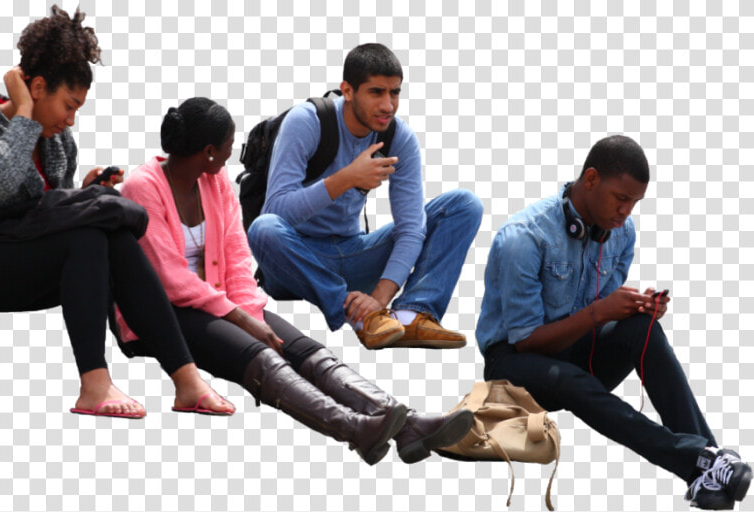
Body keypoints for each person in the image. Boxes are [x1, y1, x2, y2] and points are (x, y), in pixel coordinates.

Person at [117, 97, 474, 464]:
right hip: (164, 313)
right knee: (263, 356)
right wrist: (240, 320)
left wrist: (250, 313)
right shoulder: (141, 187)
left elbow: (238, 259)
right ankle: (356, 429)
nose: (233, 152)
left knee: (306, 351)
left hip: (219, 303)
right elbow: (171, 279)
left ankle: (408, 423)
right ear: (209, 151)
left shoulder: (215, 181)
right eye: (228, 145)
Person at [0, 6, 231, 419]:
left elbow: (45, 214)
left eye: (78, 108)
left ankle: (186, 378)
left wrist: (85, 194)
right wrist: (25, 113)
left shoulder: (58, 145)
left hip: (14, 253)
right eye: (68, 105)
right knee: (86, 235)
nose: (71, 119)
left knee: (108, 232)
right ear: (38, 86)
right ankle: (94, 384)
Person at [475, 135, 751, 509]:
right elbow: (527, 342)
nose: (626, 212)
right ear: (590, 179)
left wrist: (636, 309)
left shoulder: (622, 233)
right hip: (514, 366)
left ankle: (710, 463)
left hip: (574, 351)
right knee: (573, 379)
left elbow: (602, 311)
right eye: (621, 199)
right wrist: (602, 313)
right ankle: (699, 459)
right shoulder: (523, 239)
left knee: (642, 328)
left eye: (634, 203)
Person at [246, 43, 483, 350]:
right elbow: (276, 210)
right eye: (376, 92)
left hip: (353, 251)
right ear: (348, 90)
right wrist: (347, 178)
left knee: (463, 205)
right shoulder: (306, 121)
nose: (388, 105)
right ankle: (355, 315)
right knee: (263, 229)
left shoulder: (398, 138)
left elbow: (411, 226)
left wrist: (378, 298)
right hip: (296, 260)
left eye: (394, 93)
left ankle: (410, 314)